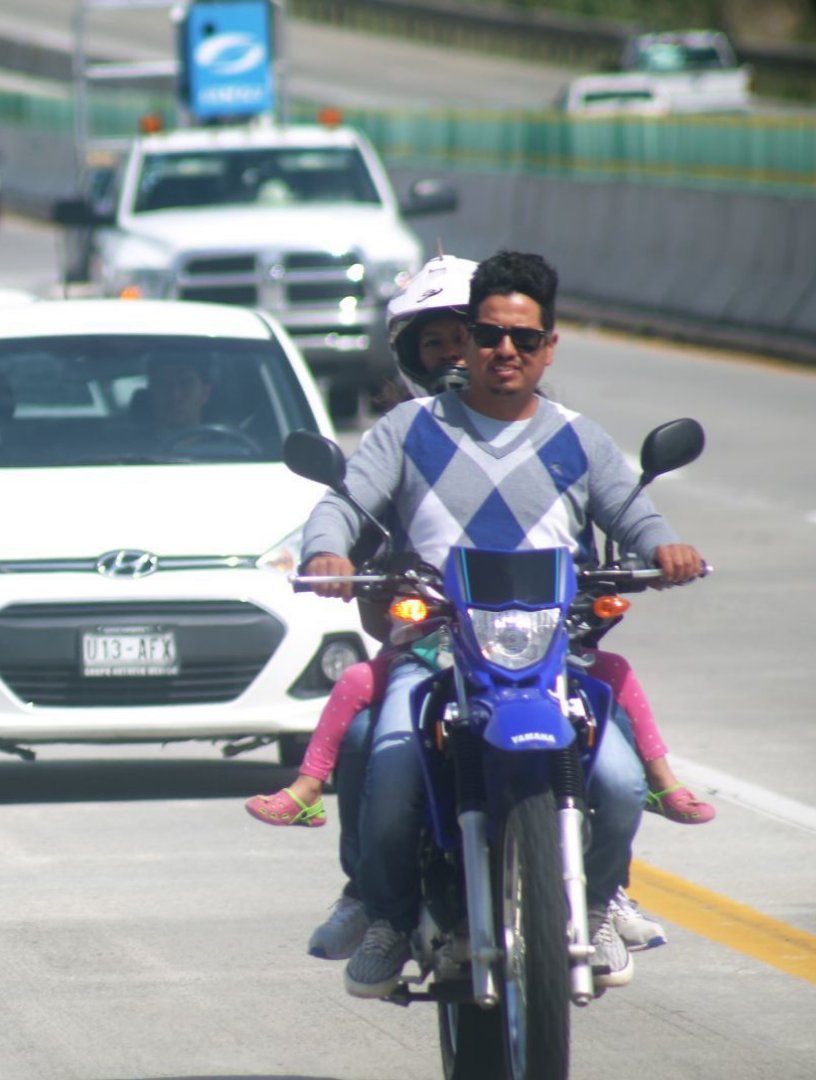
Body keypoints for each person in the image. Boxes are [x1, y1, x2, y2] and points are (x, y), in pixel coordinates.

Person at [297, 251, 706, 998]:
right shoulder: (407, 429)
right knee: (387, 764)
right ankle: (387, 915)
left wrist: (665, 547)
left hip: (553, 658)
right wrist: (325, 549)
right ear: (470, 338)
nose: (503, 351)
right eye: (487, 335)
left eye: (523, 338)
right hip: (432, 654)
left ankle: (598, 899)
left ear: (549, 346)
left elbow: (634, 512)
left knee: (616, 781)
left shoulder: (578, 438)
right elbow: (345, 504)